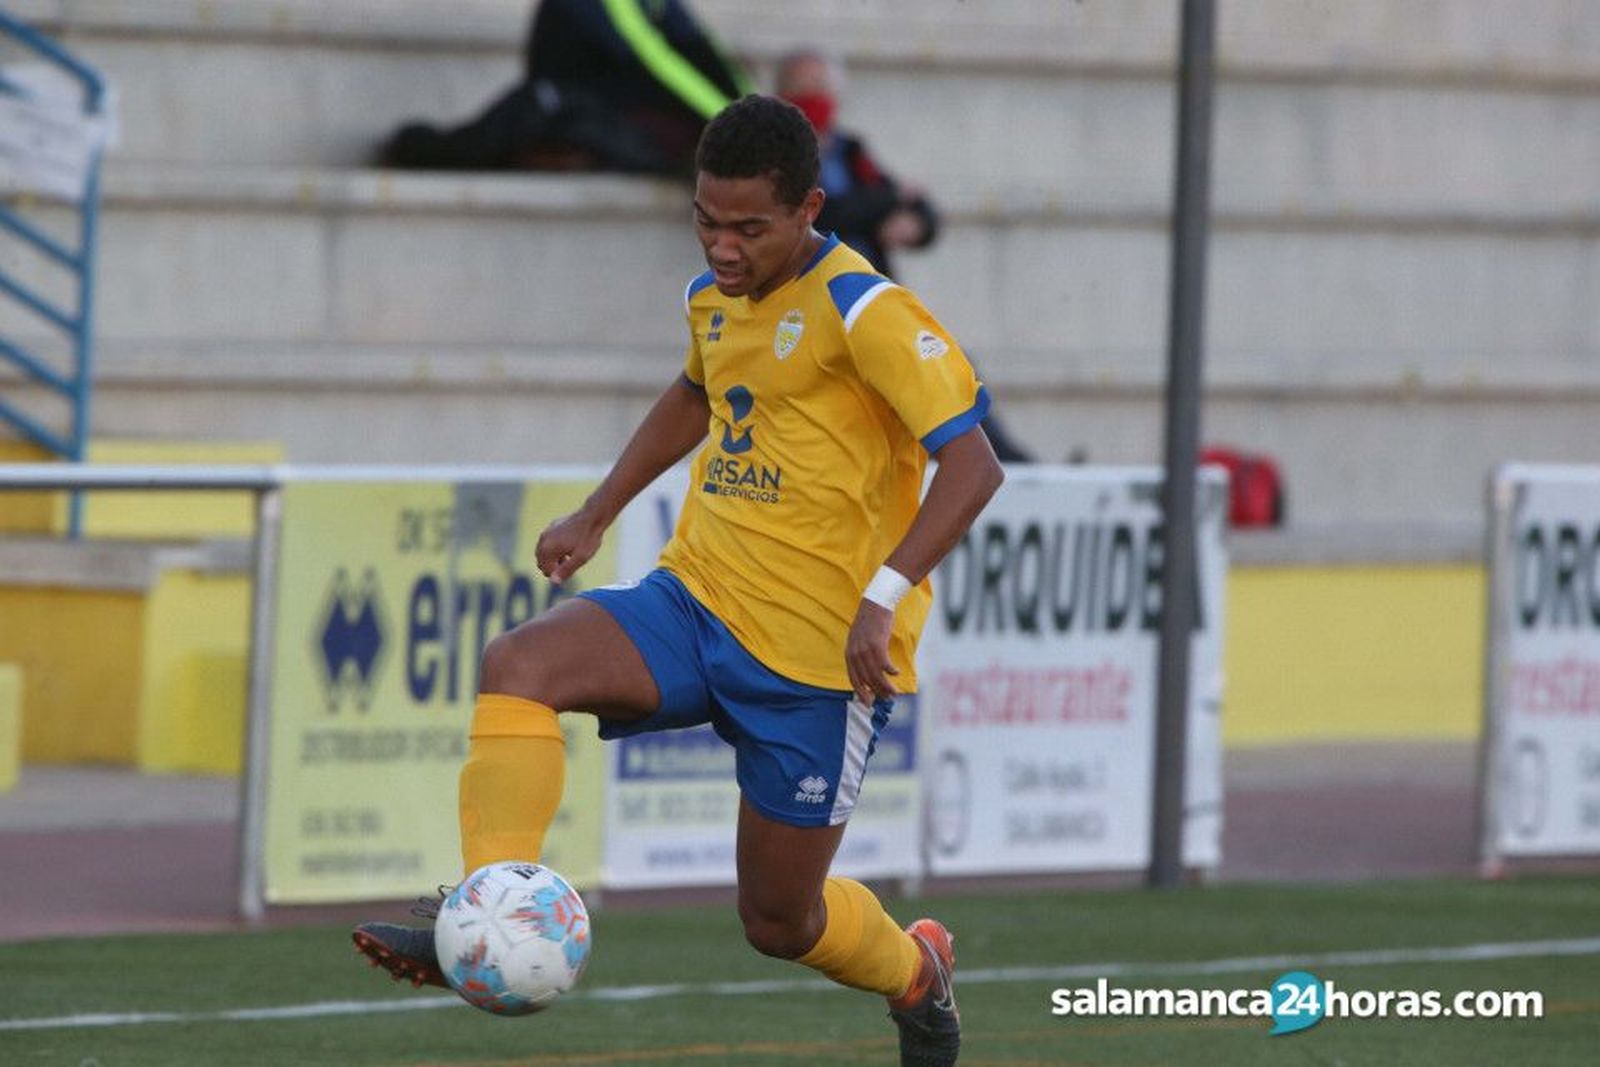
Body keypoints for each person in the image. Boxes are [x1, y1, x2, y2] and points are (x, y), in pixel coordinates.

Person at [353, 94, 1002, 1067]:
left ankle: (917, 972)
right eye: (707, 220)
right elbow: (697, 393)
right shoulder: (712, 297)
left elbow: (975, 466)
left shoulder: (865, 309)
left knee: (778, 920)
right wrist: (596, 511)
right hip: (696, 598)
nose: (723, 246)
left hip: (817, 664)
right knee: (519, 661)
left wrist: (885, 592)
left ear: (808, 209)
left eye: (749, 226)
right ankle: (485, 905)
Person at [776, 49, 1034, 464]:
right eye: (803, 88)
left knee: (953, 368)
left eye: (821, 88)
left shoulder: (849, 151)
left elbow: (923, 212)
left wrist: (911, 222)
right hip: (819, 310)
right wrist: (890, 200)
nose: (814, 97)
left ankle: (1022, 468)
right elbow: (827, 212)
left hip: (873, 304)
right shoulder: (777, 158)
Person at [380, 0, 752, 176]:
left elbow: (703, 51)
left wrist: (758, 115)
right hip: (573, 115)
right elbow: (654, 61)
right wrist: (732, 125)